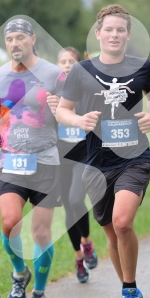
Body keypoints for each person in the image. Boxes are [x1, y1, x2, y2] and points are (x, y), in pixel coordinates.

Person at [56, 4, 150, 298]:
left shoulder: (140, 67)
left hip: (134, 158)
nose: (115, 34)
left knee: (123, 221)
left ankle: (130, 293)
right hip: (94, 163)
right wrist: (78, 120)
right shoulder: (82, 71)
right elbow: (63, 110)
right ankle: (129, 288)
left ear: (128, 35)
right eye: (109, 29)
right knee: (110, 233)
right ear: (98, 34)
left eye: (121, 30)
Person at [0, 18, 63, 298]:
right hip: (10, 160)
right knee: (9, 224)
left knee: (42, 233)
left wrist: (64, 111)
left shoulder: (54, 73)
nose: (15, 44)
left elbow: (70, 111)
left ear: (33, 39)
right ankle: (20, 274)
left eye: (20, 38)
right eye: (10, 39)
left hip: (46, 160)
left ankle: (41, 293)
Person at [56, 46, 98, 283]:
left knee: (75, 199)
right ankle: (78, 259)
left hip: (84, 152)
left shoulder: (86, 86)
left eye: (71, 61)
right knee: (67, 208)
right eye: (62, 61)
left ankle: (87, 242)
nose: (67, 65)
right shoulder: (52, 91)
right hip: (61, 154)